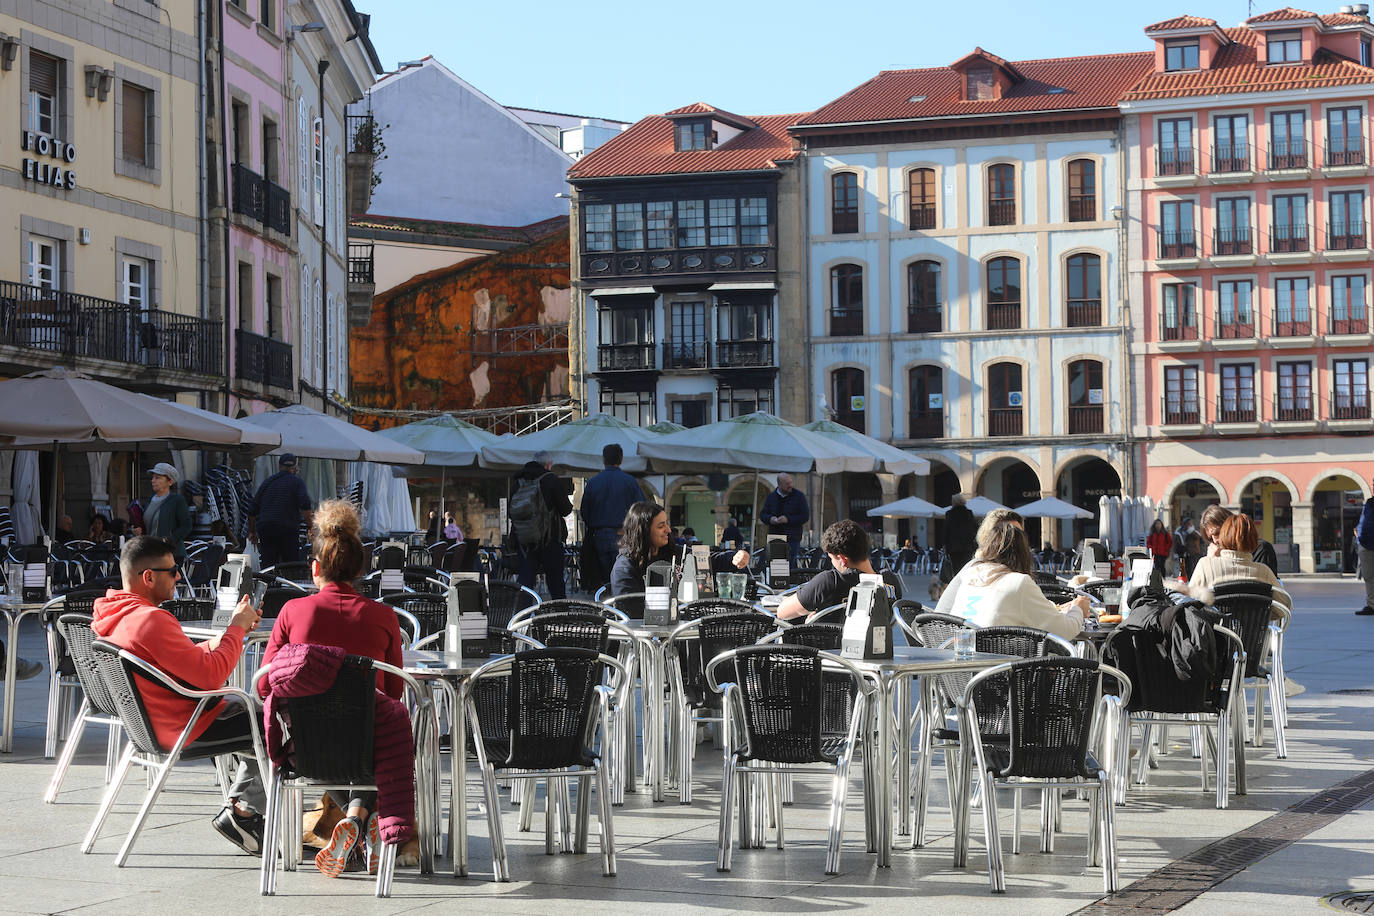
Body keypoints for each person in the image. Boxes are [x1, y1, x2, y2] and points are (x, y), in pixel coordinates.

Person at [260, 500, 412, 876]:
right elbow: (394, 691)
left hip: (308, 744)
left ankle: (354, 823)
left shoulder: (293, 612)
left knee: (347, 742)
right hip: (368, 742)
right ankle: (361, 821)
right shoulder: (384, 616)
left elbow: (265, 683)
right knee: (378, 740)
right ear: (361, 570)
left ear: (315, 568)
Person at [90, 536, 264, 853]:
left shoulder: (114, 616)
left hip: (149, 728)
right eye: (172, 571)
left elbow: (177, 663)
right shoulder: (152, 620)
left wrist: (226, 636)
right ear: (149, 577)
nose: (179, 577)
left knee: (250, 709)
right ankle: (245, 812)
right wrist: (237, 630)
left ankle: (244, 806)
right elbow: (212, 675)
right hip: (187, 727)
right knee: (274, 721)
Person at [943, 521, 1088, 640]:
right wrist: (1078, 608)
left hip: (958, 668)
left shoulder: (969, 577)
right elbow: (1065, 631)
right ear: (1023, 553)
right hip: (999, 671)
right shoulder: (1018, 583)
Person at [775, 520, 902, 621]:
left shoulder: (831, 581)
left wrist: (816, 619)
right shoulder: (890, 581)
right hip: (876, 650)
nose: (832, 563)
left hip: (828, 652)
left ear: (842, 559)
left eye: (831, 558)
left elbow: (782, 612)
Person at [1190, 514, 1292, 615]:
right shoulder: (1264, 571)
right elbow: (1284, 606)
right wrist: (1262, 617)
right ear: (1254, 539)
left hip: (1216, 629)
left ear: (1223, 536)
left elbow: (1190, 600)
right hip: (1254, 630)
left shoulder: (1206, 564)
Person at [936, 509, 1030, 615]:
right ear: (988, 538)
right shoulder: (979, 572)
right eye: (1004, 535)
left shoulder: (977, 567)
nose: (1013, 542)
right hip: (950, 628)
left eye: (1018, 535)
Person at [580, 443, 644, 587]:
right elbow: (641, 509)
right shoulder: (630, 482)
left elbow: (584, 511)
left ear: (604, 460)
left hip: (600, 534)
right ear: (621, 459)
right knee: (623, 574)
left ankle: (606, 602)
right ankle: (619, 604)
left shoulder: (593, 483)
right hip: (624, 535)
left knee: (604, 577)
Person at [511, 449, 572, 600]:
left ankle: (521, 616)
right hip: (549, 538)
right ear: (548, 464)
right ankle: (560, 615)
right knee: (555, 581)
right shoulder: (551, 479)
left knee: (526, 580)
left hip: (524, 538)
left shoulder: (518, 481)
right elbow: (565, 509)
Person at [247, 454, 313, 568]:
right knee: (291, 564)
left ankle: (269, 585)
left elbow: (252, 510)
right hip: (288, 528)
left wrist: (252, 532)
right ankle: (289, 583)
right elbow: (305, 505)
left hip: (266, 528)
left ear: (279, 466)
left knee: (268, 564)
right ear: (295, 467)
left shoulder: (267, 482)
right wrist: (310, 527)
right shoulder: (297, 482)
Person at [610, 501, 674, 596]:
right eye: (661, 526)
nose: (669, 530)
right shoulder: (624, 568)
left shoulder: (672, 552)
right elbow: (627, 607)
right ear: (644, 531)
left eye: (667, 524)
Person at [1200, 504, 1279, 576]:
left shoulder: (1259, 548)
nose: (1215, 540)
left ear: (1229, 526)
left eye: (1217, 533)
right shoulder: (1211, 558)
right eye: (1210, 538)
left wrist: (1217, 563)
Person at [144, 463, 191, 564]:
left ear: (170, 481)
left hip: (171, 554)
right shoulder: (148, 501)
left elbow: (186, 526)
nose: (153, 481)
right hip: (151, 553)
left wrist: (170, 540)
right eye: (153, 477)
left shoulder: (177, 500)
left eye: (158, 478)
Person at [761, 473, 810, 567]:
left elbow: (805, 516)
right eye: (787, 484)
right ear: (779, 485)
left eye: (790, 482)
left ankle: (790, 580)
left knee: (789, 564)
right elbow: (763, 515)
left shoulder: (799, 496)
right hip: (775, 537)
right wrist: (770, 519)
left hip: (793, 537)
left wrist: (788, 519)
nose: (790, 485)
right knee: (776, 565)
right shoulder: (771, 497)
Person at [942, 493, 978, 582]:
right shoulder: (969, 513)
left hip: (954, 548)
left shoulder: (949, 514)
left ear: (954, 502)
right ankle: (966, 583)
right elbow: (976, 529)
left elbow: (946, 531)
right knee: (966, 567)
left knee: (956, 569)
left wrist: (944, 545)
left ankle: (957, 585)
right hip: (968, 547)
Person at [1358, 484, 1374, 616]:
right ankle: (1372, 605)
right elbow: (1363, 521)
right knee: (1369, 577)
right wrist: (1360, 540)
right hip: (1366, 545)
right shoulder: (1369, 503)